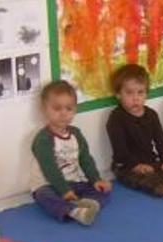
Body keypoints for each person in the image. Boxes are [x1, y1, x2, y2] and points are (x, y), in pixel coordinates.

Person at [30, 81, 113, 225]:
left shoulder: (76, 134)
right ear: (44, 109)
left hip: (74, 182)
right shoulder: (43, 139)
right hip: (49, 185)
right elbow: (50, 169)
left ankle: (89, 204)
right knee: (44, 196)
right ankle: (72, 211)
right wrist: (64, 191)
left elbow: (85, 159)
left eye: (69, 109)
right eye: (57, 108)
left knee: (104, 190)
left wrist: (96, 179)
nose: (63, 113)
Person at [105, 64, 163, 199]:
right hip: (125, 165)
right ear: (118, 94)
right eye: (129, 93)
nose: (135, 98)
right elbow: (120, 150)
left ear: (146, 93)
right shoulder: (116, 118)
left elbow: (160, 140)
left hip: (150, 160)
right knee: (143, 178)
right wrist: (135, 165)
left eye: (140, 92)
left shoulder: (151, 115)